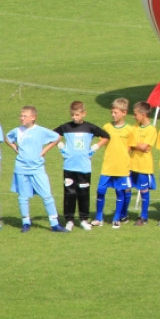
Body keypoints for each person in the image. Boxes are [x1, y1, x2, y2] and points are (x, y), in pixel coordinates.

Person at [6, 105, 66, 233]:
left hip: (37, 168)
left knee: (47, 195)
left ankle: (54, 223)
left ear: (33, 118)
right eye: (21, 116)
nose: (22, 118)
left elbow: (57, 137)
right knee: (23, 197)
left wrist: (44, 150)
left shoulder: (41, 131)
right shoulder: (17, 131)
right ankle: (26, 222)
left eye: (25, 116)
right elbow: (8, 138)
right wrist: (15, 148)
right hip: (21, 168)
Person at [54, 100, 108, 231]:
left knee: (83, 194)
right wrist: (62, 148)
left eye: (77, 115)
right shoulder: (66, 127)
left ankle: (84, 219)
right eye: (72, 115)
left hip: (84, 167)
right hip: (69, 167)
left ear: (84, 113)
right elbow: (52, 136)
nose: (74, 118)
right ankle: (69, 220)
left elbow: (106, 136)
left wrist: (93, 148)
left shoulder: (90, 128)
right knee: (69, 194)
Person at [94, 98, 134, 229]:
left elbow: (131, 147)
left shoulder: (129, 129)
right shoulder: (107, 127)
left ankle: (116, 218)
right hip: (108, 166)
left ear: (124, 113)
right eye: (112, 112)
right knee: (100, 190)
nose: (113, 115)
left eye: (115, 112)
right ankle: (98, 217)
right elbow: (103, 141)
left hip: (122, 167)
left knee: (120, 191)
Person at [128, 101, 157, 225]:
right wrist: (136, 145)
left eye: (135, 114)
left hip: (144, 165)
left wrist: (133, 144)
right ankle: (123, 214)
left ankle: (143, 216)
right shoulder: (134, 127)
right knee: (126, 189)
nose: (134, 117)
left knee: (144, 190)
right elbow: (129, 143)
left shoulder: (151, 130)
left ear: (143, 114)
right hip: (131, 163)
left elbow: (144, 147)